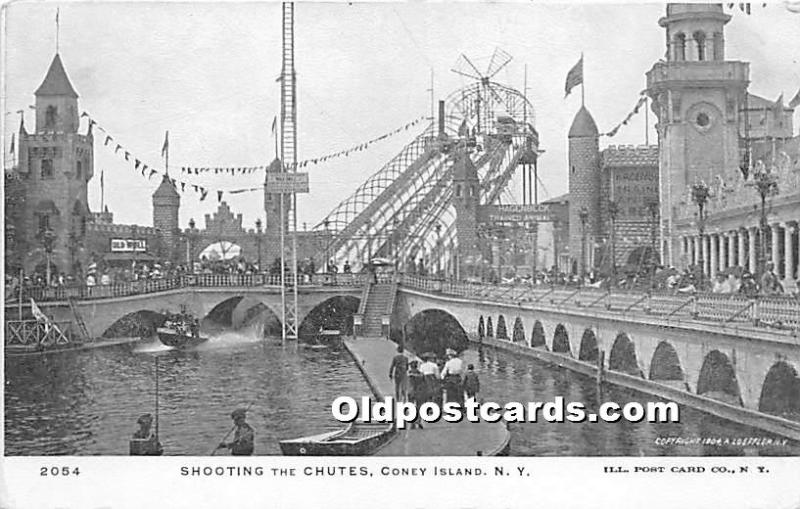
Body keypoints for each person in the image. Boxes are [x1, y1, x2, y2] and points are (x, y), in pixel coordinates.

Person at [406, 360, 425, 429]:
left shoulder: (408, 374)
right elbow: (424, 383)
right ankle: (419, 421)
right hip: (419, 392)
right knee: (419, 406)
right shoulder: (421, 374)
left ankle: (412, 422)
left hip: (410, 392)